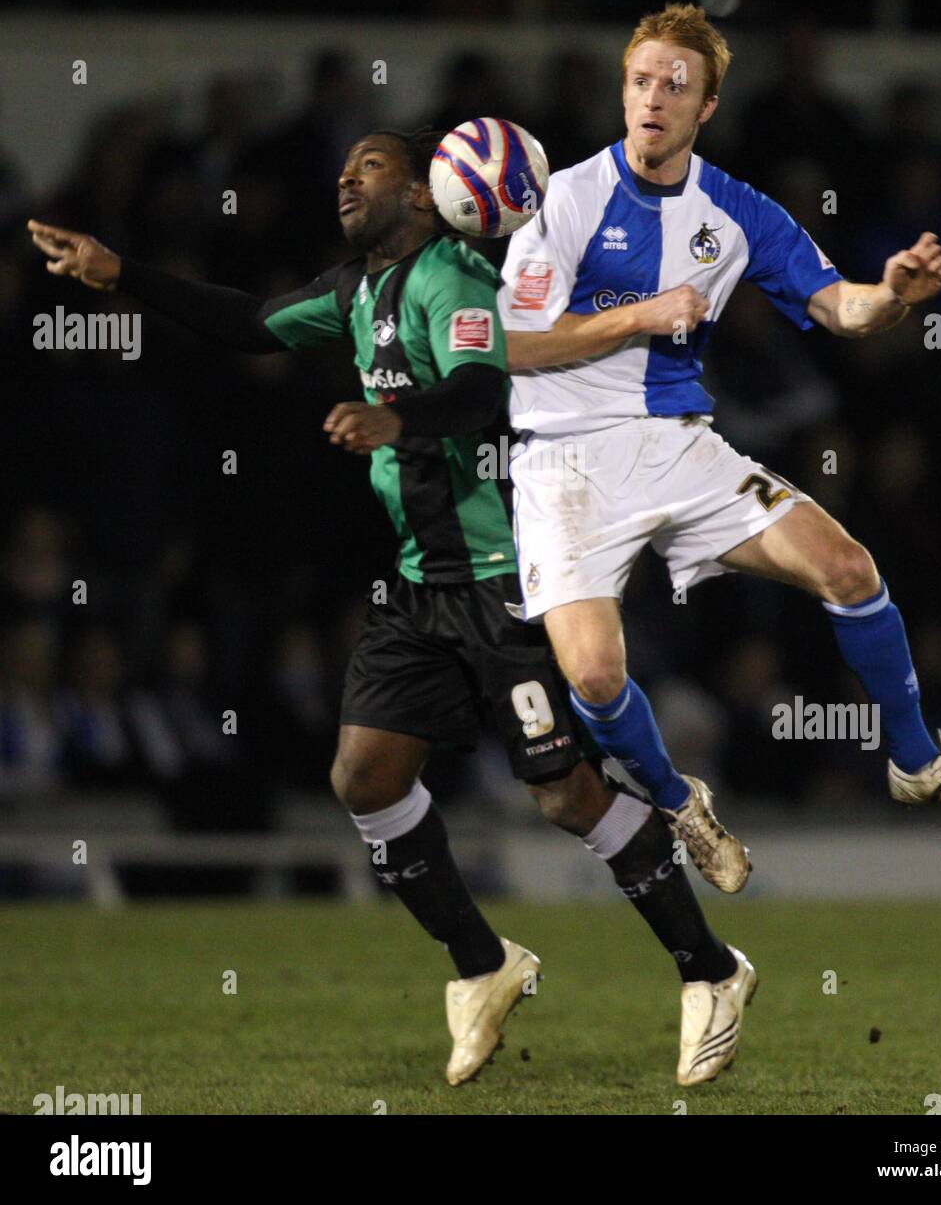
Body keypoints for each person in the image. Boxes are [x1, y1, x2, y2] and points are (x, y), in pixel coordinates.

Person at [28, 126, 756, 1088]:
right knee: (364, 775)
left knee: (563, 795)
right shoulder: (352, 291)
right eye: (344, 166)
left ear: (426, 193)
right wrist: (123, 271)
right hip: (419, 587)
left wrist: (395, 418)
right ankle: (485, 964)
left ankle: (711, 969)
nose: (344, 179)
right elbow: (247, 320)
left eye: (369, 168)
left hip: (505, 581)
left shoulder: (452, 275)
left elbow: (482, 387)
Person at [498, 2, 941, 835]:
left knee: (849, 568)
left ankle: (917, 757)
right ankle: (680, 803)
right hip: (562, 463)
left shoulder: (739, 212)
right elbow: (513, 346)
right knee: (596, 677)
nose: (653, 99)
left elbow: (840, 310)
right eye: (640, 81)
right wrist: (636, 316)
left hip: (676, 446)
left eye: (675, 86)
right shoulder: (564, 201)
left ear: (707, 107)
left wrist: (890, 293)